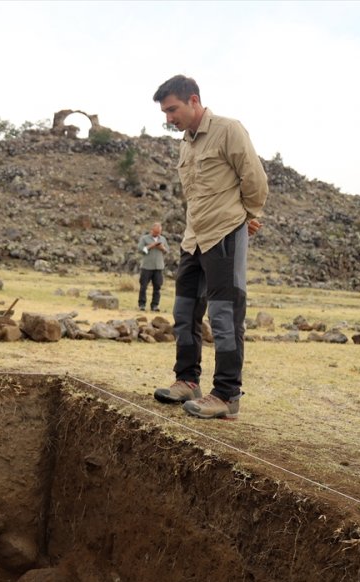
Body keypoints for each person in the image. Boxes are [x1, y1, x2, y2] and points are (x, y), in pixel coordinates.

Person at [151, 75, 269, 420]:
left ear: (193, 100)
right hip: (193, 239)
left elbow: (255, 180)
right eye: (165, 112)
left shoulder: (228, 130)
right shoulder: (185, 144)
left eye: (172, 109)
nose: (169, 118)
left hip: (224, 235)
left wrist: (246, 216)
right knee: (184, 313)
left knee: (225, 317)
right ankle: (187, 380)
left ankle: (227, 394)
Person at [136, 222, 169, 312]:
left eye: (159, 232)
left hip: (158, 267)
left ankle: (155, 305)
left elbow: (167, 251)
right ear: (152, 230)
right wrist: (152, 246)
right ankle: (142, 304)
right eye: (155, 232)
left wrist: (162, 248)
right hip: (147, 266)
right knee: (143, 287)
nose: (157, 234)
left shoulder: (163, 239)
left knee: (157, 287)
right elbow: (140, 250)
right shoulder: (144, 238)